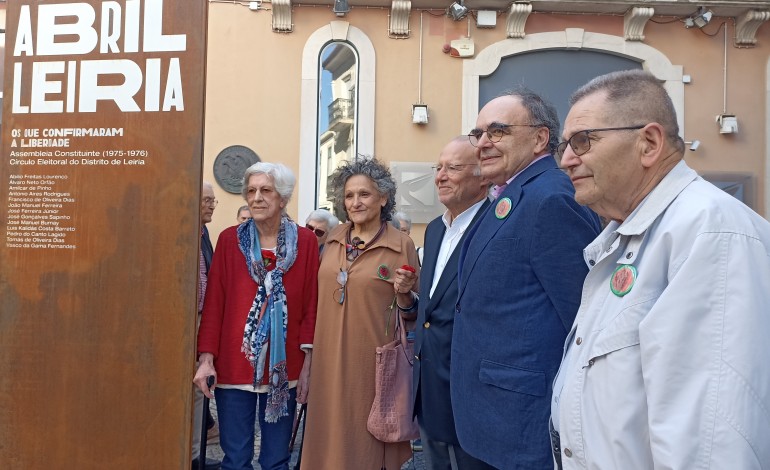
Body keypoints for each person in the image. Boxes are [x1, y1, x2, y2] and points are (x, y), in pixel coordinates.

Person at [552, 70, 770, 469]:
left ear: (649, 143)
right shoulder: (630, 236)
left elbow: (712, 444)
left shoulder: (710, 232)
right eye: (565, 145)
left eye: (582, 141)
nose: (566, 160)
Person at [451, 87, 601, 469]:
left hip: (521, 423)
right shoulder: (512, 193)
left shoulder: (551, 198)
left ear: (539, 138)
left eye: (497, 131)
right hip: (490, 415)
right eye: (479, 133)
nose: (483, 143)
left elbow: (583, 319)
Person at [194, 162, 319, 470]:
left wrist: (308, 365)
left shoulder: (305, 242)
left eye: (266, 190)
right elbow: (214, 304)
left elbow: (311, 307)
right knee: (235, 460)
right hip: (234, 366)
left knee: (276, 460)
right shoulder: (228, 240)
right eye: (251, 191)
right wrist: (206, 358)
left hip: (285, 369)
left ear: (283, 198)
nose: (257, 198)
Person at [300, 157, 421, 470]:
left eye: (364, 194)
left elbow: (413, 315)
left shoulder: (401, 245)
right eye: (349, 195)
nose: (355, 202)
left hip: (371, 366)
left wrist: (405, 293)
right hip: (327, 361)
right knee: (326, 440)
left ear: (383, 198)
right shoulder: (331, 239)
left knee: (363, 445)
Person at [393, 136, 492, 469]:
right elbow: (433, 308)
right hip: (430, 383)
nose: (440, 176)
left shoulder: (495, 225)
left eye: (453, 167)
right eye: (439, 168)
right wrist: (410, 295)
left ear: (483, 176)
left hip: (471, 390)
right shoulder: (435, 229)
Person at [193, 181, 222, 470]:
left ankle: (194, 457)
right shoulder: (183, 231)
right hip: (185, 321)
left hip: (202, 319)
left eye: (213, 201)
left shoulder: (204, 233)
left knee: (198, 393)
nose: (212, 205)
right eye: (206, 200)